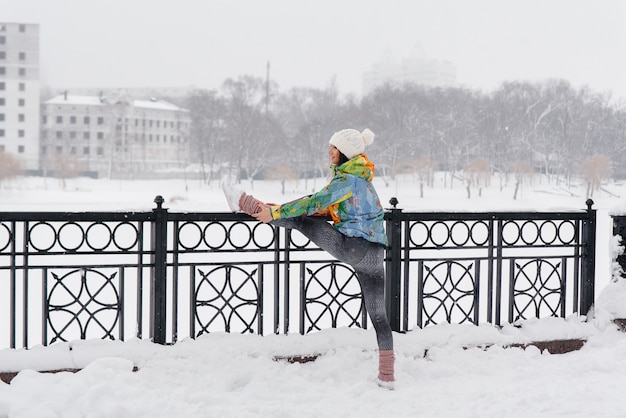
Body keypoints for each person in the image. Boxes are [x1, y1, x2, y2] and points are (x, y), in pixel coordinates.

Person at [222, 128, 395, 389]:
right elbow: (330, 208)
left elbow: (314, 202)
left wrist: (276, 213)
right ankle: (387, 376)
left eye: (334, 148)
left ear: (345, 153)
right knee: (379, 317)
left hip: (354, 248)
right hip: (374, 255)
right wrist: (279, 210)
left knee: (302, 221)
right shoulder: (362, 180)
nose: (329, 152)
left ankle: (246, 204)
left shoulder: (347, 180)